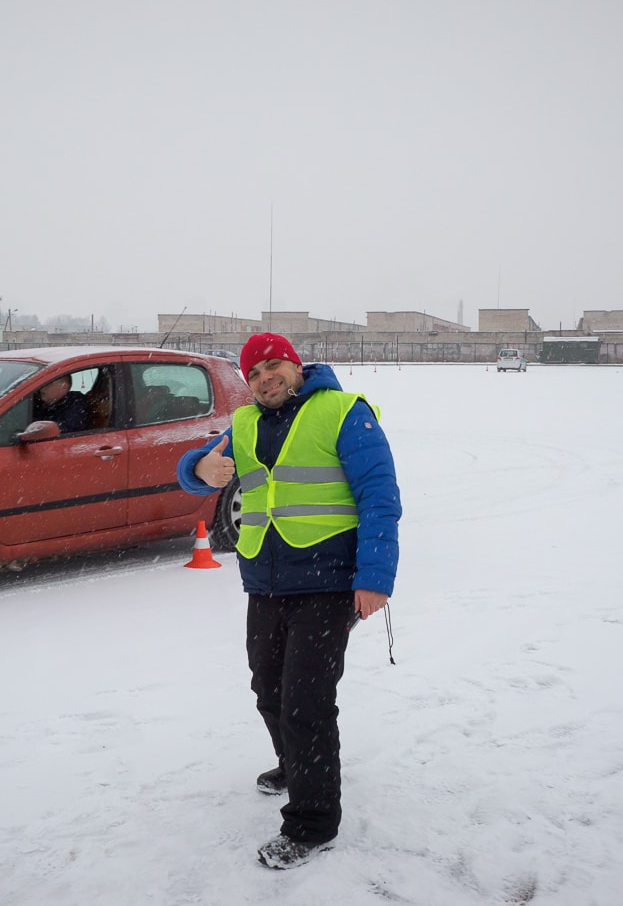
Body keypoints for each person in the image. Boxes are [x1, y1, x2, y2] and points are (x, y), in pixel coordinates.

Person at [176, 332, 401, 870]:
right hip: (266, 582)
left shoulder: (344, 412)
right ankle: (297, 763)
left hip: (328, 583)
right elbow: (197, 465)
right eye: (252, 373)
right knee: (268, 688)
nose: (263, 379)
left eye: (273, 366)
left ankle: (312, 822)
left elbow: (381, 496)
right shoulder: (245, 423)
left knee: (306, 701)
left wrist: (374, 578)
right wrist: (197, 471)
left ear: (296, 366)